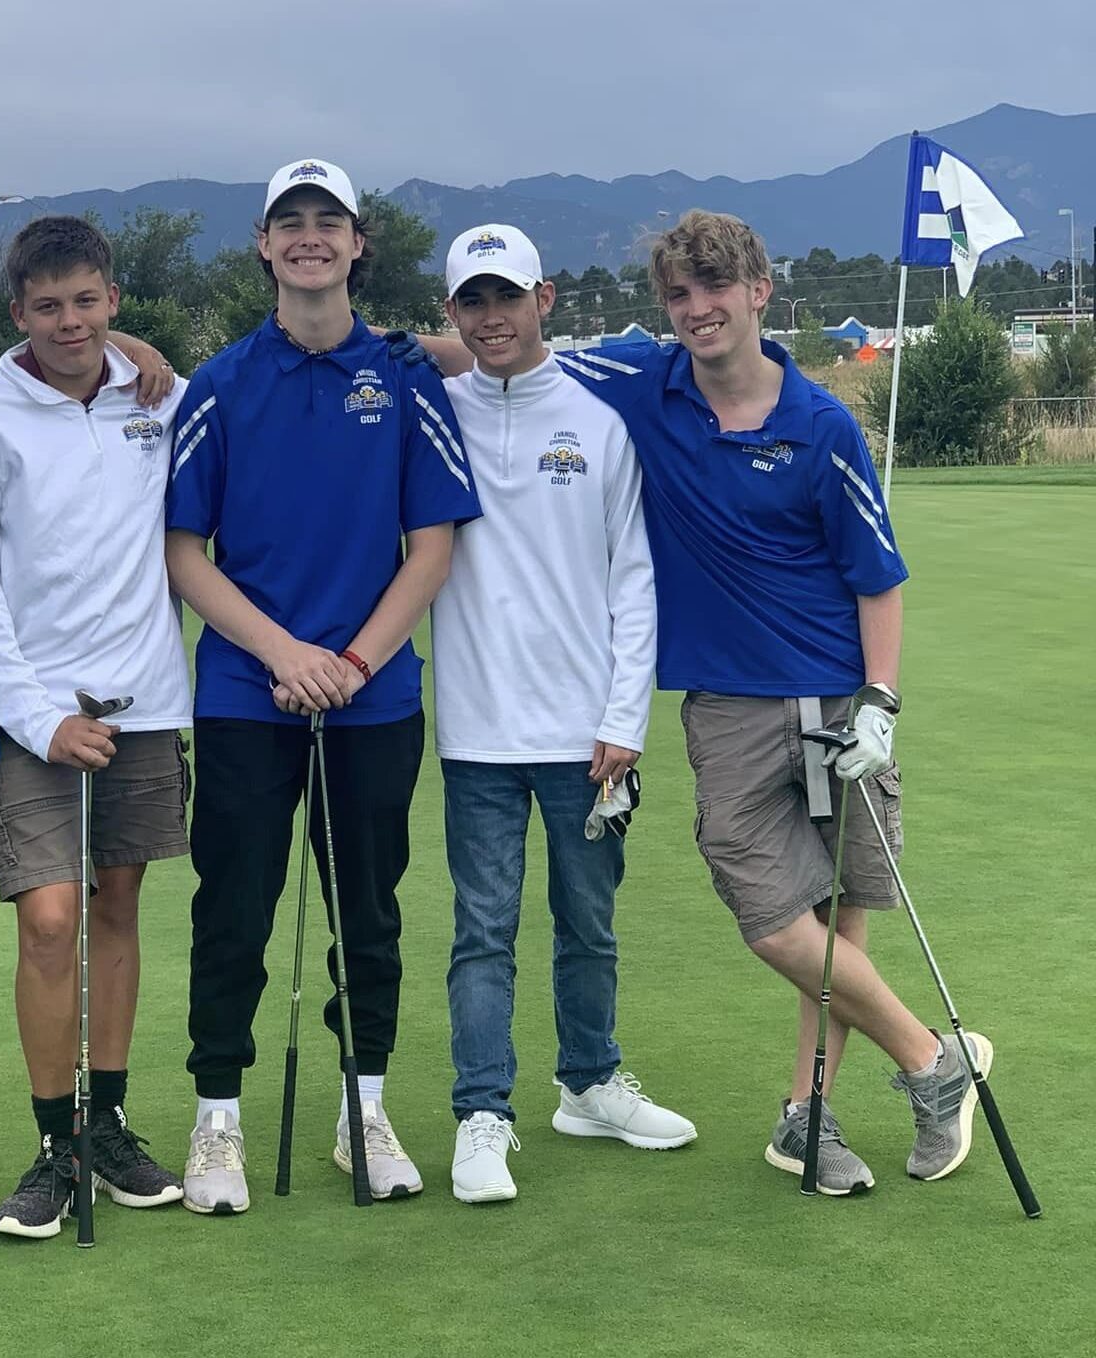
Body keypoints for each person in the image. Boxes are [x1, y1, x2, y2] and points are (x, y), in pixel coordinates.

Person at [414, 209, 988, 1195]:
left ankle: (808, 1116)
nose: (698, 309)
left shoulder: (822, 424)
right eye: (679, 294)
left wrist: (880, 700)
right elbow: (496, 344)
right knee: (774, 917)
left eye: (717, 287)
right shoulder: (646, 381)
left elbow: (877, 577)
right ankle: (936, 1059)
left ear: (761, 290)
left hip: (836, 696)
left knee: (836, 922)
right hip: (726, 702)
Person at [164, 157, 482, 1214]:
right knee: (236, 908)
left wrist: (348, 662)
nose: (309, 236)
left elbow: (430, 546)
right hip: (249, 697)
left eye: (328, 222)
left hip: (372, 696)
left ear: (357, 245)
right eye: (289, 221)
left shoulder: (403, 379)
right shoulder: (220, 384)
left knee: (369, 913)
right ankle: (217, 1120)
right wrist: (284, 656)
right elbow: (185, 551)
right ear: (264, 244)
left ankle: (365, 1107)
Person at [432, 225, 696, 1205]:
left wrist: (624, 716)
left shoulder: (598, 420)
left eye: (507, 297)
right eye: (473, 301)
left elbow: (635, 580)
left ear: (543, 297)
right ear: (453, 311)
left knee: (589, 921)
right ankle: (481, 1114)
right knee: (482, 928)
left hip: (593, 735)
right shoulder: (436, 413)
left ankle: (587, 1080)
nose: (491, 317)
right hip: (476, 730)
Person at [0, 215, 192, 1236]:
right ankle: (55, 1142)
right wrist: (39, 717)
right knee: (50, 919)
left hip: (145, 699)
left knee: (117, 908)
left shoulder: (161, 399)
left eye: (86, 301)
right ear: (18, 313)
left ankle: (108, 1121)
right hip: (33, 714)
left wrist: (150, 358)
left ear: (112, 300)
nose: (68, 321)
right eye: (47, 306)